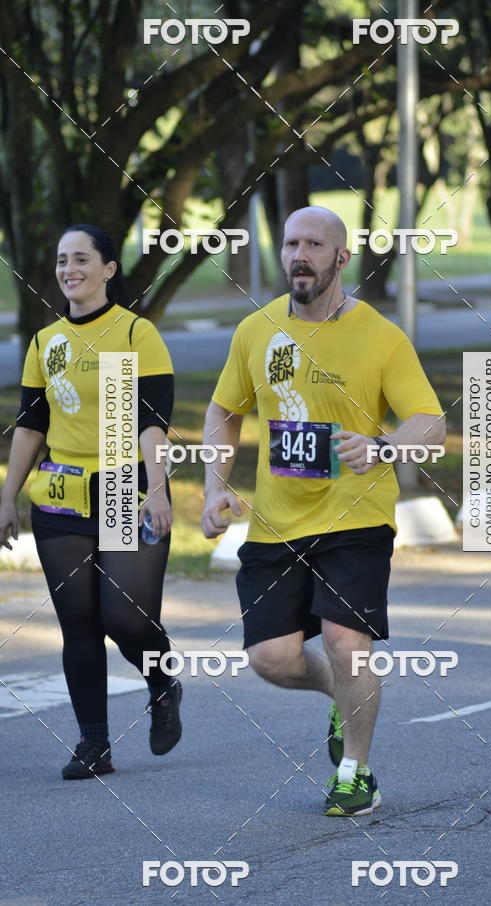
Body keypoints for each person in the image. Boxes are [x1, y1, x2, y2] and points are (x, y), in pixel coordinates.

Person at [201, 205, 446, 816]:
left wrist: (383, 445)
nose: (299, 255)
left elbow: (433, 423)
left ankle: (355, 772)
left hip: (356, 517)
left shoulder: (381, 336)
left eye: (314, 244)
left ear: (341, 258)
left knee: (346, 643)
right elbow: (224, 412)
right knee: (272, 659)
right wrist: (213, 486)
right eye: (289, 244)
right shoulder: (255, 331)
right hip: (277, 522)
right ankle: (345, 696)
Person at [0, 224, 182, 779]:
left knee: (126, 618)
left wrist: (155, 489)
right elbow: (31, 426)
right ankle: (93, 744)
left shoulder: (134, 334)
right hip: (59, 495)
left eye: (81, 259)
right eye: (61, 260)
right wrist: (7, 496)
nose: (68, 269)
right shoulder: (45, 342)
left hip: (125, 486)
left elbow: (152, 421)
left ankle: (161, 680)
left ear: (108, 269)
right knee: (78, 622)